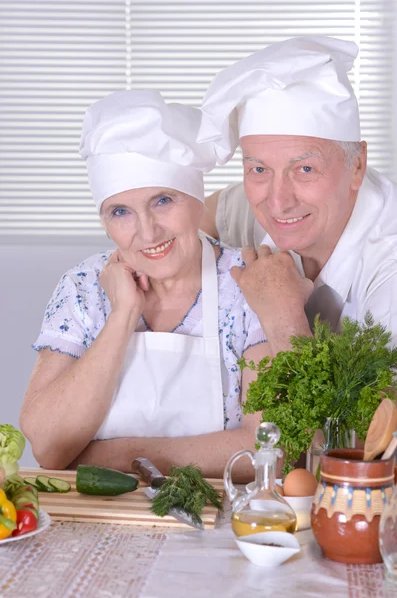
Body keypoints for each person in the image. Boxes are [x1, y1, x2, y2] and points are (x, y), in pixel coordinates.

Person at [20, 90, 269, 481]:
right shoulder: (83, 289)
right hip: (100, 520)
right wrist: (122, 316)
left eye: (163, 200)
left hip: (215, 520)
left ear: (196, 198)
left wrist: (128, 455)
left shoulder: (248, 284)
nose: (147, 231)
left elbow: (264, 447)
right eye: (121, 212)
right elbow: (50, 447)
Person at [198, 36, 397, 354]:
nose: (278, 202)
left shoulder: (389, 263)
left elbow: (382, 405)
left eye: (305, 169)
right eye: (259, 169)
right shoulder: (252, 203)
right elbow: (191, 218)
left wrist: (283, 320)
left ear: (357, 166)